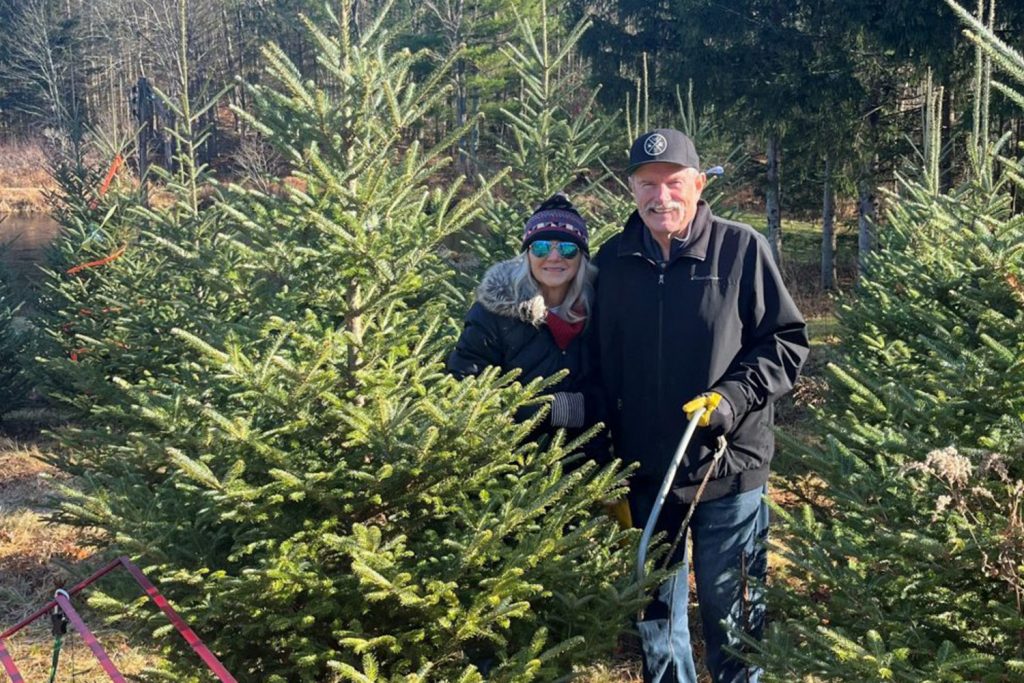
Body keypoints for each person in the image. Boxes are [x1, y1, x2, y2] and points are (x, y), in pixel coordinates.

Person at [592, 129, 809, 682]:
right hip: (645, 477)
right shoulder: (614, 263)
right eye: (646, 185)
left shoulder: (740, 250)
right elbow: (597, 365)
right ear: (632, 189)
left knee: (733, 624)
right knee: (657, 626)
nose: (659, 197)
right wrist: (604, 467)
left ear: (697, 184)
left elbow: (785, 343)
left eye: (672, 183)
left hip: (727, 471)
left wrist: (731, 399)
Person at [447, 193, 605, 459]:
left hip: (585, 469)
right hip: (508, 466)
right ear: (528, 254)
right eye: (542, 248)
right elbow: (464, 386)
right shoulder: (494, 312)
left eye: (567, 249)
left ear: (582, 257)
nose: (554, 257)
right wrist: (544, 410)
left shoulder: (598, 312)